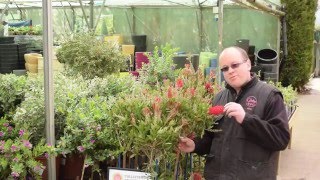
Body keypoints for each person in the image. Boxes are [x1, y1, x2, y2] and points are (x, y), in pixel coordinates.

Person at [178, 46, 290, 180]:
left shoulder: (269, 95)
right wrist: (195, 145)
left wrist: (246, 119)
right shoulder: (219, 98)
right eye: (225, 68)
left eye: (235, 65)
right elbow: (211, 138)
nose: (230, 71)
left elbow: (281, 140)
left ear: (248, 64)